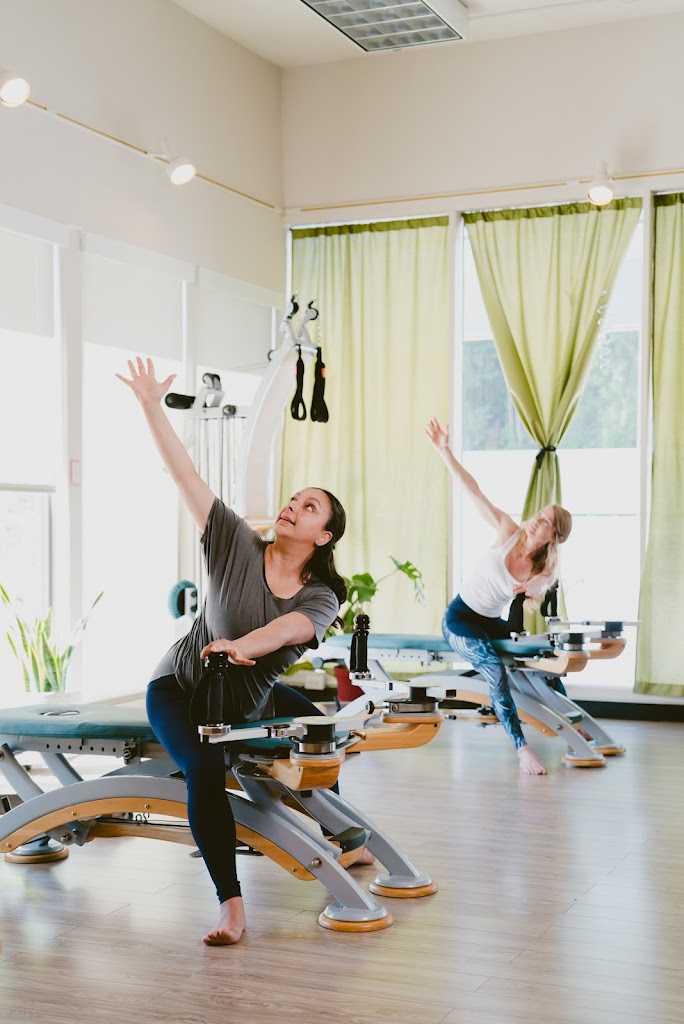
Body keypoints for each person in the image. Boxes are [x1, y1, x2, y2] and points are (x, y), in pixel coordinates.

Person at [117, 356, 352, 946]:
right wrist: (150, 406)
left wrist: (239, 645)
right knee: (204, 768)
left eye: (308, 506)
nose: (292, 506)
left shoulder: (322, 593)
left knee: (316, 731)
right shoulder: (234, 544)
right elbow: (185, 476)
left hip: (249, 694)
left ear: (322, 536)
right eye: (293, 498)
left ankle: (340, 837)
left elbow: (286, 633)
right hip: (183, 688)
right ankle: (231, 906)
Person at [426, 418, 572, 776]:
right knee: (493, 669)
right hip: (460, 619)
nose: (536, 520)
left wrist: (531, 590)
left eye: (545, 521)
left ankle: (572, 723)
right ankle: (522, 750)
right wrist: (443, 450)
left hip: (492, 622)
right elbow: (472, 490)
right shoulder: (508, 530)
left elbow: (539, 587)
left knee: (543, 655)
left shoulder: (545, 568)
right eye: (539, 514)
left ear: (553, 536)